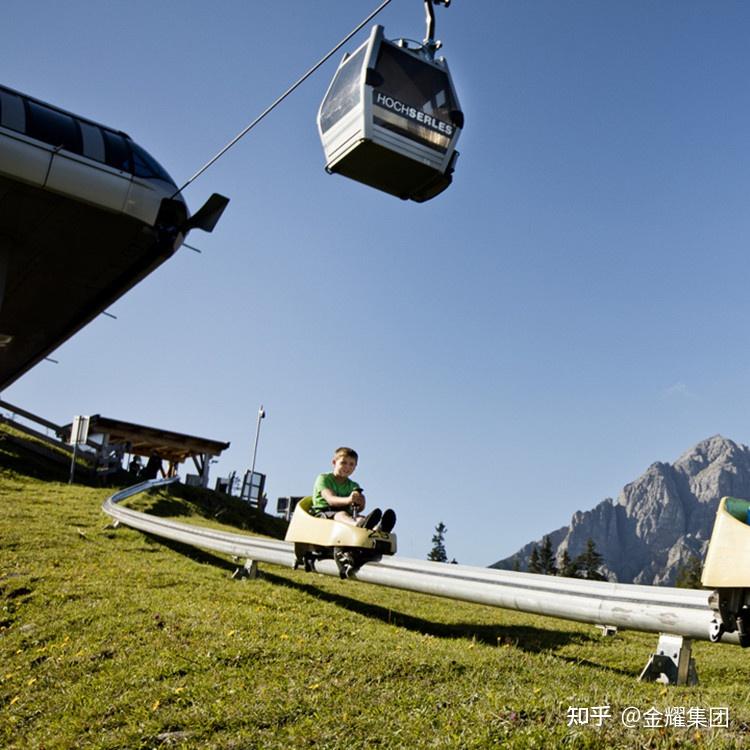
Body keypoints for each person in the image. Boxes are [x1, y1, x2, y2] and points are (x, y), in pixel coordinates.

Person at [311, 446, 396, 532]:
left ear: (355, 467)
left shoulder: (353, 485)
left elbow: (357, 509)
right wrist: (349, 500)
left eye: (351, 464)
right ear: (334, 462)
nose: (347, 467)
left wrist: (361, 503)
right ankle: (358, 525)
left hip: (346, 514)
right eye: (343, 463)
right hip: (324, 513)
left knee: (360, 517)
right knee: (341, 514)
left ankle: (378, 529)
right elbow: (331, 500)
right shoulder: (324, 478)